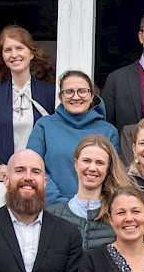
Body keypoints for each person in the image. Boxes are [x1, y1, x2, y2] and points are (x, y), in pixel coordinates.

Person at [0, 25, 57, 172]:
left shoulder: (50, 93)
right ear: (3, 57)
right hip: (4, 180)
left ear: (31, 53)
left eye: (20, 48)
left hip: (42, 177)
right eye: (8, 50)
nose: (14, 54)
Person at [27, 70, 119, 204]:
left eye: (82, 91)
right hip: (52, 209)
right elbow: (33, 168)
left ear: (92, 95)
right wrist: (60, 204)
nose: (76, 97)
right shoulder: (45, 126)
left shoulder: (108, 131)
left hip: (95, 211)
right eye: (69, 92)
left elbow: (113, 175)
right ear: (60, 96)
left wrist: (96, 207)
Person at [47, 135, 129, 252]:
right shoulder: (52, 215)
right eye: (86, 161)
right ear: (76, 164)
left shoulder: (118, 216)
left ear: (108, 168)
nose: (92, 168)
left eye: (100, 163)